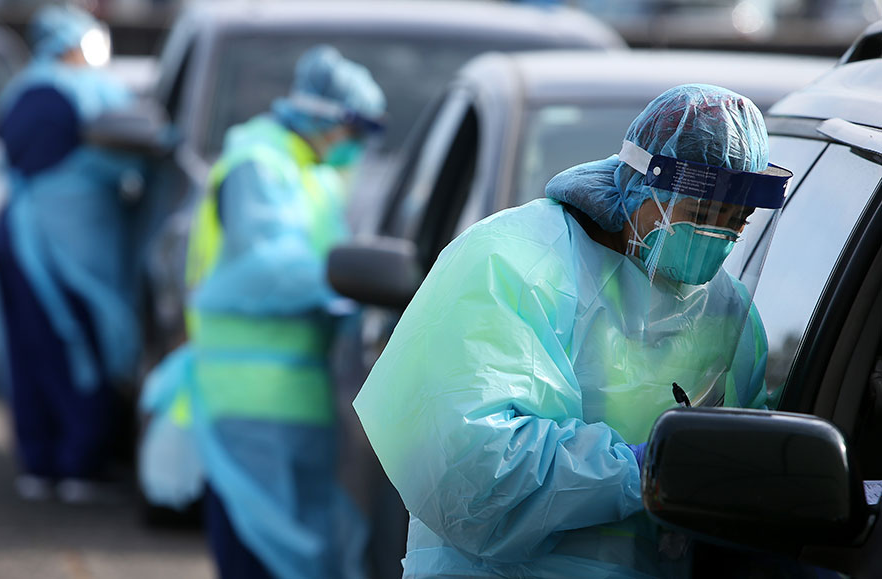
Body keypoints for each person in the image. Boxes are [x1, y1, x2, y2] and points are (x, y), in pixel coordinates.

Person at [353, 84, 792, 577]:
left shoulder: (726, 310)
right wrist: (643, 468)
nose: (719, 239)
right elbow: (472, 473)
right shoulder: (513, 262)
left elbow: (750, 455)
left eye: (738, 222)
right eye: (701, 215)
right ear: (643, 185)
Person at [182, 45, 386, 579]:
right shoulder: (258, 165)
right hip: (247, 394)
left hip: (296, 396)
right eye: (355, 130)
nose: (358, 147)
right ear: (325, 117)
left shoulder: (313, 172)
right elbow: (271, 267)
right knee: (257, 544)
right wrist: (347, 284)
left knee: (297, 545)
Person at [0, 3, 143, 503]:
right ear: (76, 45)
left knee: (27, 356)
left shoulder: (20, 87)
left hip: (14, 239)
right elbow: (136, 146)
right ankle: (79, 465)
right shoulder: (87, 88)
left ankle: (38, 464)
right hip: (66, 249)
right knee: (77, 354)